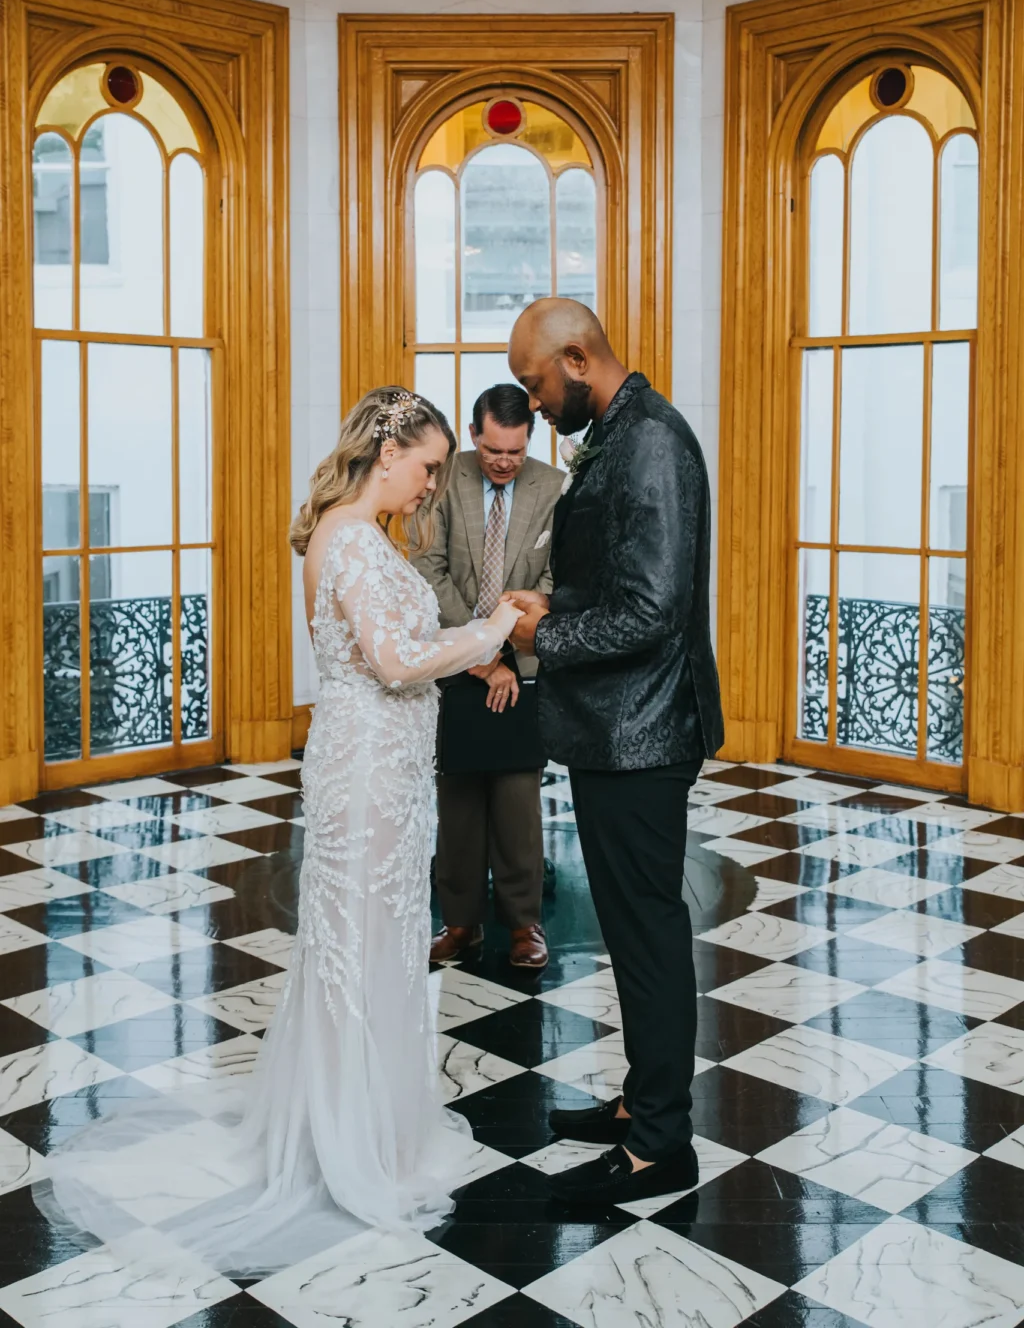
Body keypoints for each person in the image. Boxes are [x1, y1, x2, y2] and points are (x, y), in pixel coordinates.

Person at [35, 388, 522, 1277]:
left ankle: (365, 1122)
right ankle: (345, 1144)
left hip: (389, 765)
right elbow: (393, 661)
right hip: (368, 768)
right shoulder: (348, 539)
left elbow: (404, 649)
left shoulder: (362, 538)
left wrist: (473, 641)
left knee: (377, 939)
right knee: (361, 939)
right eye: (424, 468)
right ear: (389, 454)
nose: (429, 486)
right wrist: (491, 627)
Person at [505, 298, 724, 1208]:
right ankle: (644, 1103)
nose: (534, 402)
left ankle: (662, 1147)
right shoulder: (619, 433)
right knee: (636, 933)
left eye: (536, 382)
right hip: (614, 733)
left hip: (643, 736)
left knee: (647, 936)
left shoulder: (653, 443)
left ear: (579, 358)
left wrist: (544, 632)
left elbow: (650, 611)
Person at [413, 384, 564, 970]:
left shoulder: (552, 487)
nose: (505, 462)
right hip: (455, 664)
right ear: (475, 437)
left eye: (516, 452)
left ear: (529, 439)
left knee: (518, 800)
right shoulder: (444, 478)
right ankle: (459, 923)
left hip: (523, 669)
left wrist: (507, 652)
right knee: (458, 802)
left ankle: (525, 924)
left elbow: (556, 579)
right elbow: (428, 568)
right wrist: (477, 655)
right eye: (495, 450)